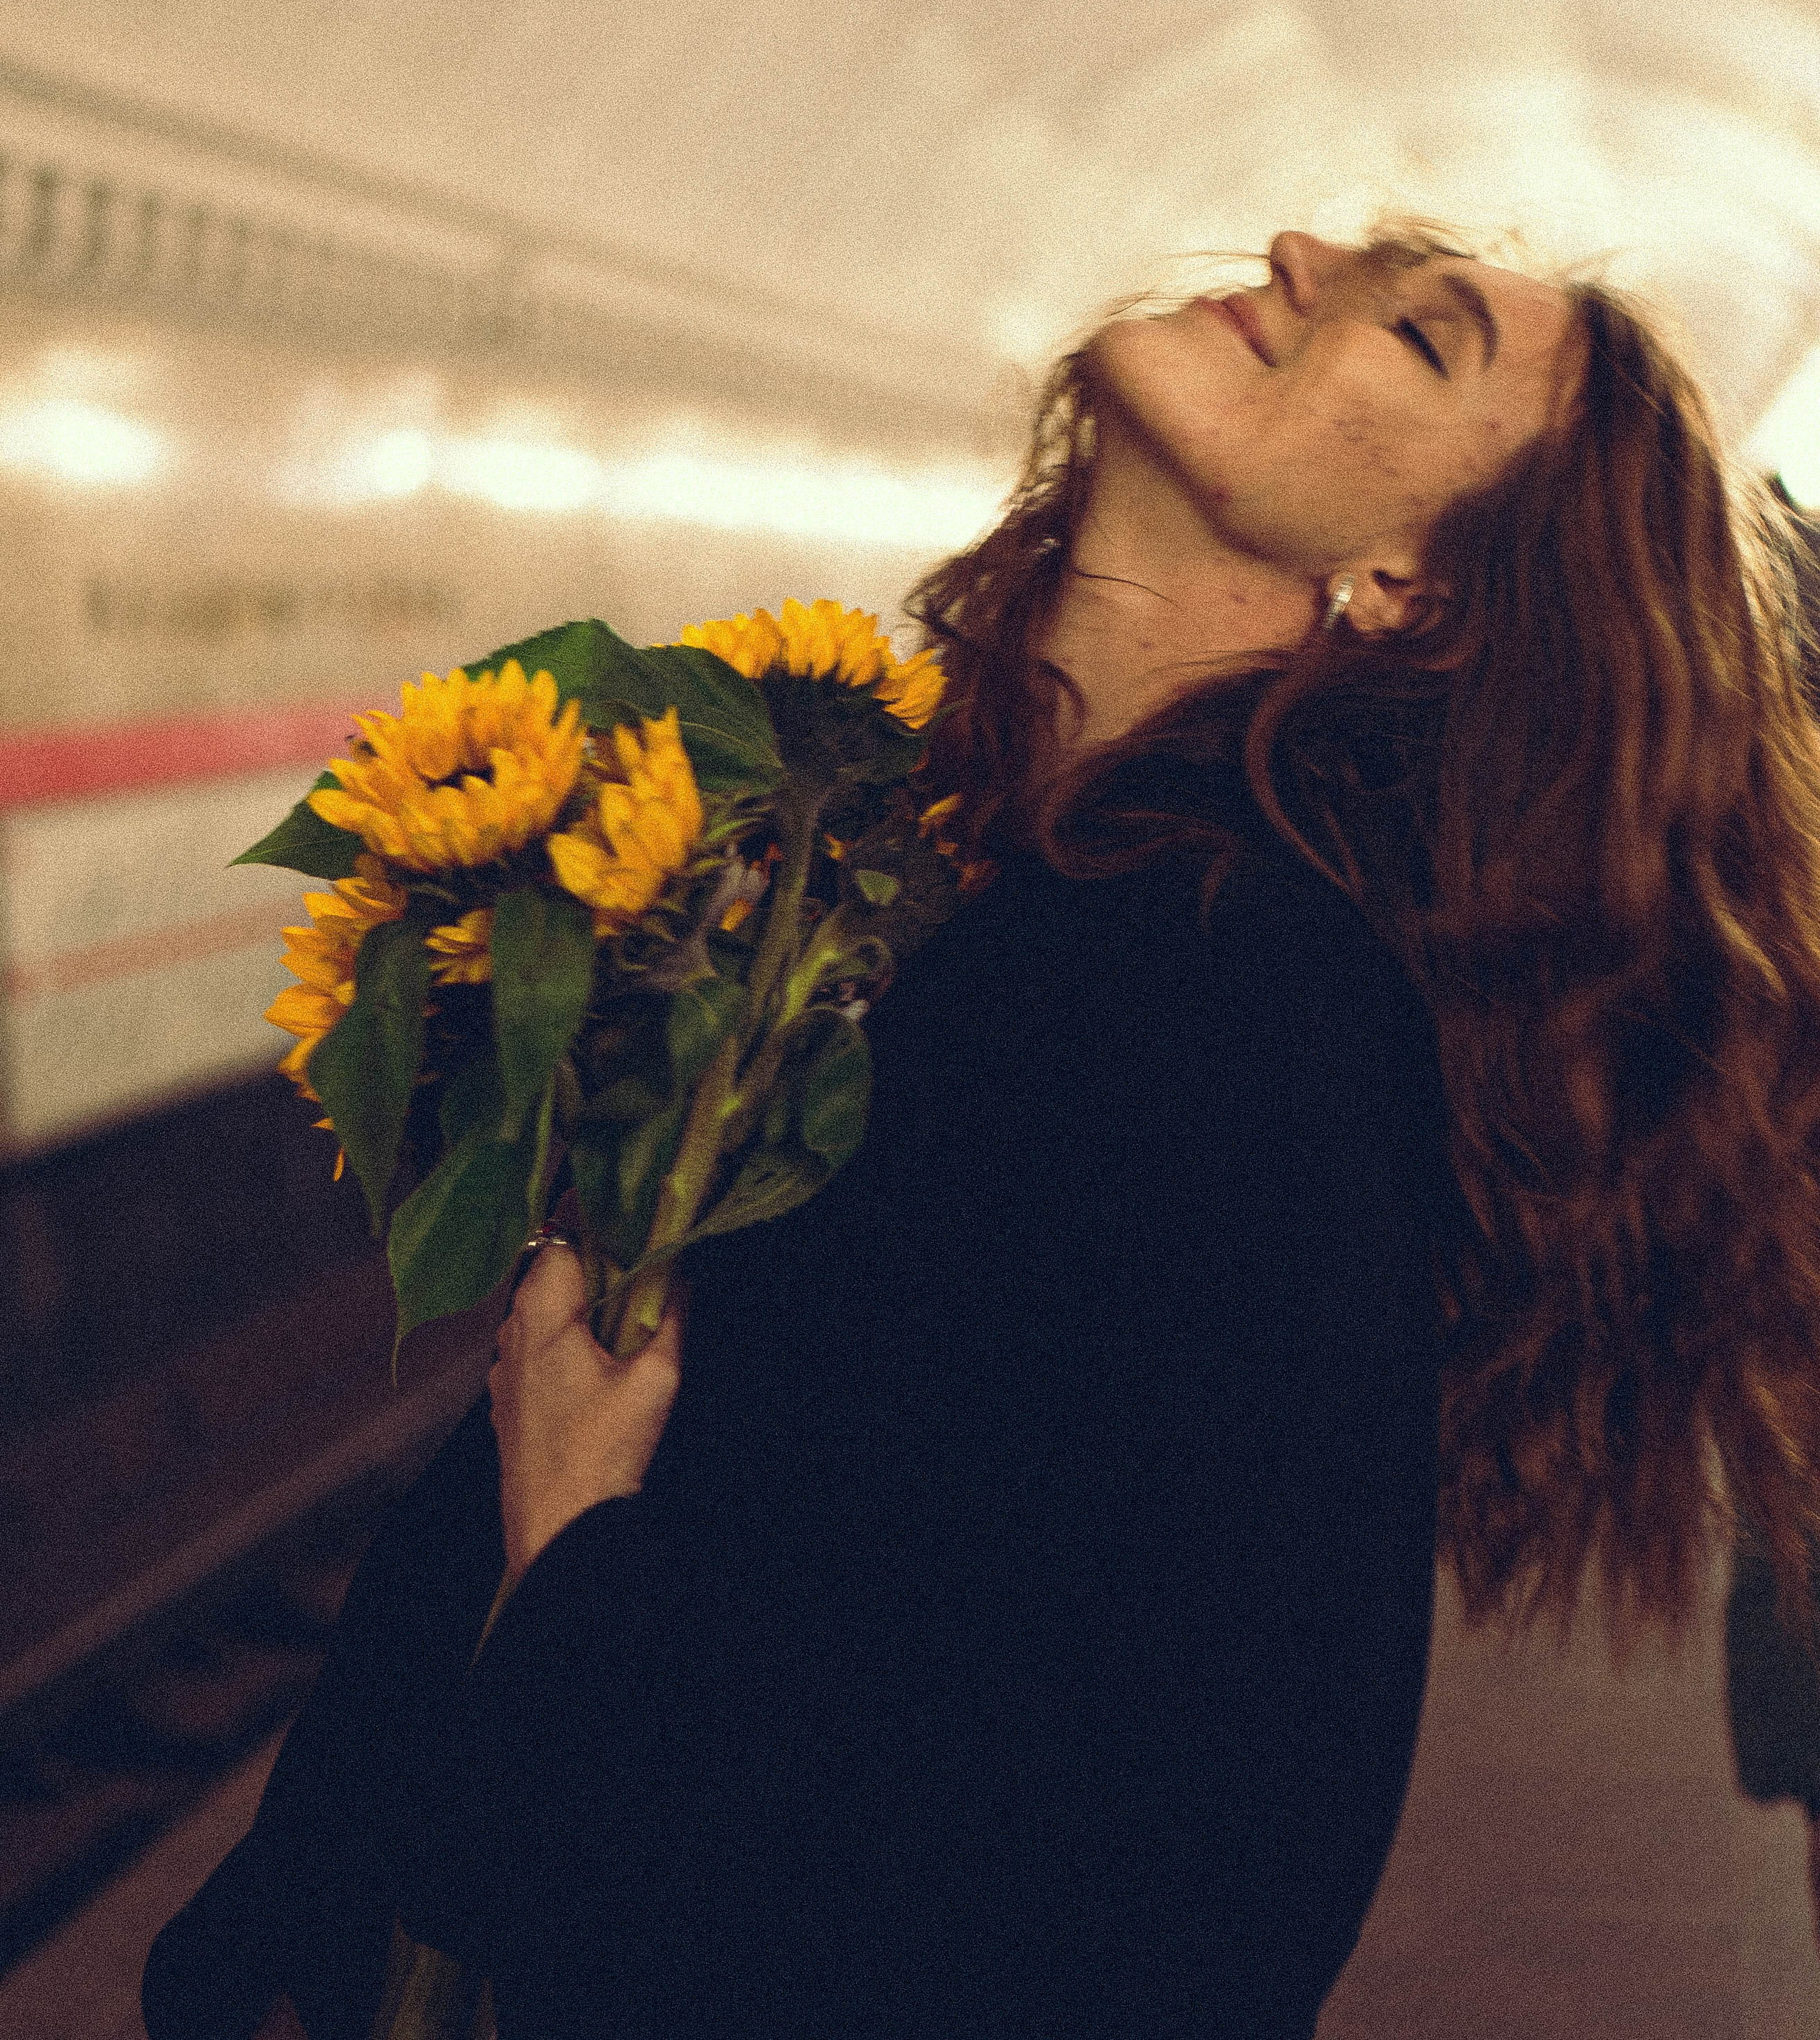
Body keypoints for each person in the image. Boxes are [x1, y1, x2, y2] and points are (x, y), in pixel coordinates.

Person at [144, 220, 1820, 2040]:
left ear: (1415, 585)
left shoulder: (1226, 990)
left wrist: (575, 1554)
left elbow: (1192, 1885)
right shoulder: (978, 885)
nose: (1300, 246)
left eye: (1419, 336)